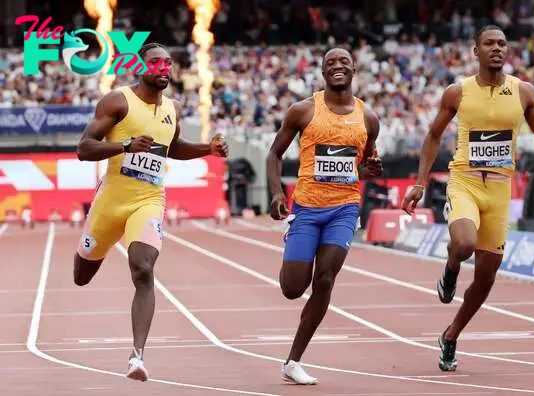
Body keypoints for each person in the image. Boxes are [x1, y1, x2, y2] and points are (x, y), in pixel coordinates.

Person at [401, 25, 534, 372]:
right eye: (489, 43)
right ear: (476, 51)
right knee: (462, 243)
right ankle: (450, 268)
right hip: (465, 182)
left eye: (502, 43)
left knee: (487, 275)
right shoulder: (457, 92)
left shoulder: (523, 92)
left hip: (500, 190)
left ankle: (450, 335)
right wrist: (420, 181)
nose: (497, 48)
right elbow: (432, 136)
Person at [73, 43, 228, 381]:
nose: (163, 67)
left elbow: (174, 148)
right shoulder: (117, 101)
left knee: (143, 269)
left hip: (149, 200)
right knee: (81, 276)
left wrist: (208, 149)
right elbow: (83, 148)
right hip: (110, 203)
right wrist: (125, 146)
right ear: (139, 66)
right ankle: (88, 248)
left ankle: (137, 356)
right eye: (155, 62)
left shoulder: (173, 107)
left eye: (168, 63)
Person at [266, 47, 382, 385]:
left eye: (344, 61)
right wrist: (276, 193)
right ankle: (294, 249)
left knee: (326, 278)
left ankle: (293, 360)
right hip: (306, 208)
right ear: (322, 71)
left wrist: (370, 168)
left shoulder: (368, 118)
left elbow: (364, 165)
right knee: (292, 287)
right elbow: (274, 154)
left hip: (344, 208)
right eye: (330, 63)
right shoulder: (303, 111)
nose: (338, 67)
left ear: (354, 68)